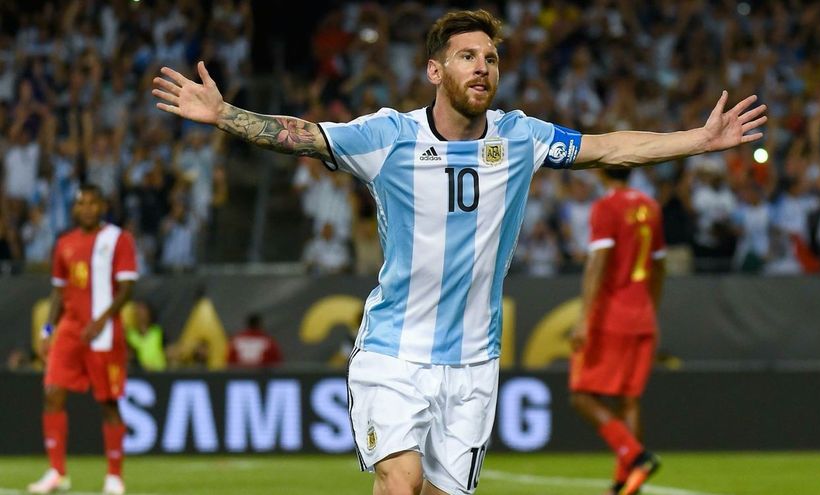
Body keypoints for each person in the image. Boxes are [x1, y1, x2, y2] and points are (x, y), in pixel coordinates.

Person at [152, 9, 766, 494]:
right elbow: (304, 135)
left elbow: (610, 147)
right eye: (467, 56)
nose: (482, 67)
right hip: (393, 352)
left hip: (473, 365)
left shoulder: (520, 137)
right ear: (434, 71)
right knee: (401, 481)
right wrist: (225, 115)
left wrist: (700, 139)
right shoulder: (388, 137)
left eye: (491, 58)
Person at [29, 184, 138, 495]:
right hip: (70, 329)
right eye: (82, 203)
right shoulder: (64, 243)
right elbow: (58, 292)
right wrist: (47, 330)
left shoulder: (118, 239)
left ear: (102, 206)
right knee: (52, 391)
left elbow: (127, 288)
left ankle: (114, 476)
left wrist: (101, 320)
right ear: (75, 208)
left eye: (93, 203)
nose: (87, 208)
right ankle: (56, 472)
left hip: (104, 332)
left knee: (108, 402)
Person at [569, 167, 666, 495]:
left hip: (611, 316)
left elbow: (598, 262)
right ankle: (625, 485)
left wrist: (584, 318)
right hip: (642, 316)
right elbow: (660, 265)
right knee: (629, 401)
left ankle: (635, 456)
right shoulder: (650, 206)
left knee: (581, 395)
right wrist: (651, 310)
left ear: (599, 170)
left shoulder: (606, 207)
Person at [125, 300, 167, 371]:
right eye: (138, 312)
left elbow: (167, 350)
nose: (140, 315)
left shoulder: (158, 332)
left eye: (143, 311)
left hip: (159, 372)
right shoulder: (129, 335)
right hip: (138, 373)